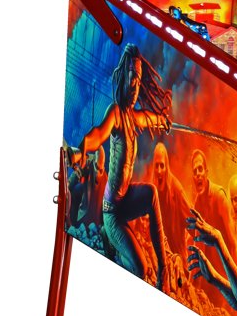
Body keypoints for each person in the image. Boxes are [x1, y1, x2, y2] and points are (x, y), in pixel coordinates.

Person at [69, 45, 172, 287]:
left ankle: (164, 269)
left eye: (139, 78)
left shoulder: (132, 117)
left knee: (151, 194)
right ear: (124, 76)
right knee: (140, 270)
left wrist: (163, 120)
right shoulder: (115, 113)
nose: (136, 85)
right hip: (112, 212)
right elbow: (98, 134)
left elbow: (149, 118)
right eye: (132, 76)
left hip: (125, 201)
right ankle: (111, 245)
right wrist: (83, 147)